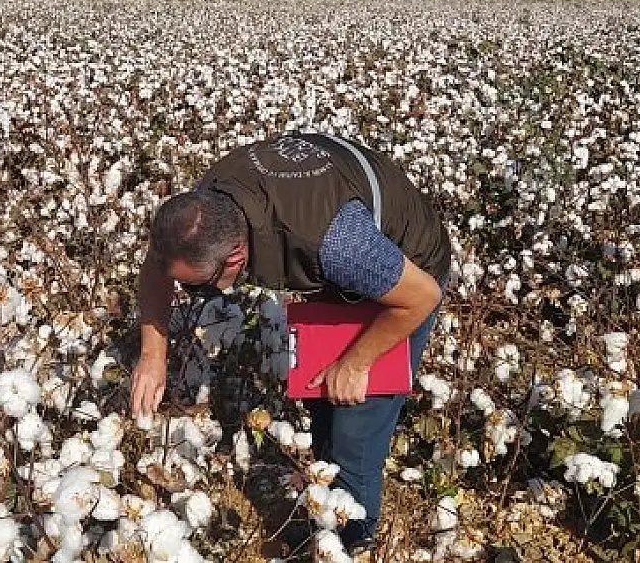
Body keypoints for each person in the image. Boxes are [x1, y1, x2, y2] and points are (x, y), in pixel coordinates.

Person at [130, 131, 452, 554]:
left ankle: (351, 540)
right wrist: (153, 356)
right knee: (322, 398)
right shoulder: (201, 212)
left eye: (197, 287)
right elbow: (158, 269)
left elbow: (422, 296)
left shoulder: (336, 244)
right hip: (341, 258)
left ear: (235, 259)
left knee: (355, 422)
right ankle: (323, 515)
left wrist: (356, 363)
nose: (190, 295)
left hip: (405, 276)